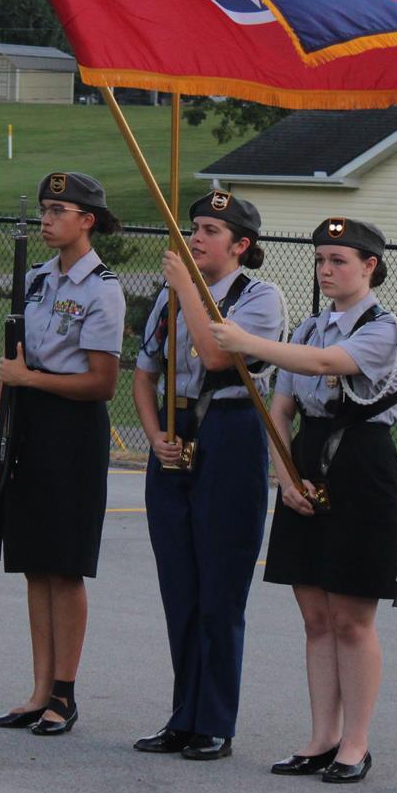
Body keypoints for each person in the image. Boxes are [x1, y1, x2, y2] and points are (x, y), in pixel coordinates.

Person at [209, 216, 397, 785]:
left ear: (369, 266)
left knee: (352, 617)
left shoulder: (384, 327)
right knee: (315, 616)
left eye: (339, 261)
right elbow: (281, 410)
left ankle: (356, 742)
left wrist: (248, 343)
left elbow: (327, 367)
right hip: (307, 456)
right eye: (321, 260)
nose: (327, 270)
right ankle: (322, 737)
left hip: (362, 466)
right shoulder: (305, 327)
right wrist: (286, 476)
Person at [131, 190, 284, 762]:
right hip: (175, 438)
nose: (196, 239)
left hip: (230, 433)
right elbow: (145, 374)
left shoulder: (258, 298)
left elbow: (216, 356)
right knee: (180, 587)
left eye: (211, 231)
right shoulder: (171, 296)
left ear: (241, 245)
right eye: (194, 227)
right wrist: (154, 437)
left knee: (220, 588)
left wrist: (188, 289)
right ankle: (182, 715)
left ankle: (215, 719)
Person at [0, 171, 126, 738]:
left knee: (64, 567)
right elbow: (9, 363)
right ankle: (38, 689)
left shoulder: (102, 288)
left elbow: (102, 383)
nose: (46, 220)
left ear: (86, 221)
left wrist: (29, 381)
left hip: (71, 430)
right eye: (44, 209)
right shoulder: (37, 279)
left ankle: (64, 694)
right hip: (29, 425)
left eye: (58, 211)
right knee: (33, 564)